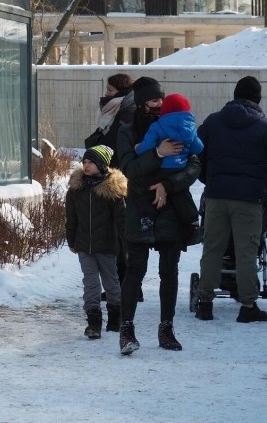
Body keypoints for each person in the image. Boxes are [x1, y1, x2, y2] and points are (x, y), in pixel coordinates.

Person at [117, 76, 201, 355]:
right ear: (141, 104)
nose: (159, 105)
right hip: (141, 206)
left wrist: (168, 184)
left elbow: (194, 166)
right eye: (154, 100)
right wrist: (157, 152)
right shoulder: (127, 132)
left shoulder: (178, 125)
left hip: (172, 207)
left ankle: (166, 329)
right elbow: (129, 169)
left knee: (169, 270)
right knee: (135, 270)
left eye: (161, 99)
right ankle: (126, 330)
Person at [195, 76, 267, 323]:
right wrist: (263, 185)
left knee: (213, 247)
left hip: (216, 197)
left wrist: (209, 180)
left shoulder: (213, 122)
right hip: (249, 199)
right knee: (247, 251)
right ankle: (248, 306)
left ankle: (205, 303)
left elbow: (197, 155)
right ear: (257, 98)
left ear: (235, 95)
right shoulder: (266, 127)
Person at [65, 145, 127, 339]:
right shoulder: (76, 190)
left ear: (101, 164)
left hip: (107, 245)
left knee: (111, 282)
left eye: (91, 162)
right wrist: (71, 239)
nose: (86, 165)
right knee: (90, 283)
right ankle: (93, 323)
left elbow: (122, 220)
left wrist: (127, 245)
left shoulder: (113, 191)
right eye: (84, 161)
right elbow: (71, 217)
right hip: (84, 245)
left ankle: (115, 318)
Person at [87, 73, 135, 298]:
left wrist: (97, 144)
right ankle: (124, 285)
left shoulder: (125, 112)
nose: (106, 94)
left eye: (110, 91)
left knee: (119, 233)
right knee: (117, 233)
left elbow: (113, 145)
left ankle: (126, 285)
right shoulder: (117, 110)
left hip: (120, 180)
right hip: (114, 179)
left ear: (121, 93)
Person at [135, 93, 204, 170]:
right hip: (182, 166)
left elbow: (148, 145)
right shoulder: (190, 128)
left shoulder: (157, 126)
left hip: (162, 167)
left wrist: (138, 149)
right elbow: (198, 148)